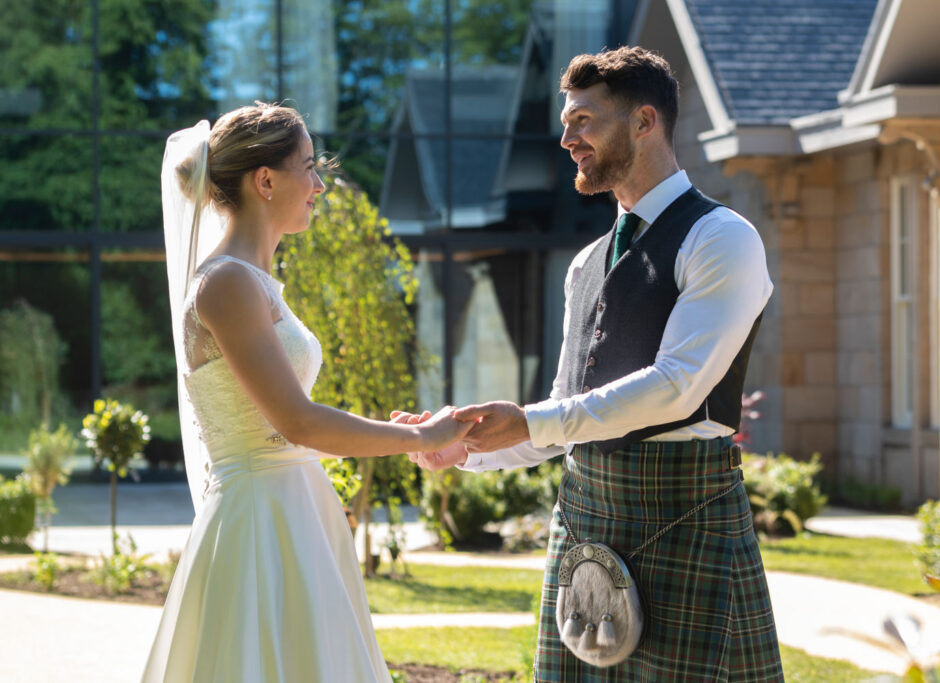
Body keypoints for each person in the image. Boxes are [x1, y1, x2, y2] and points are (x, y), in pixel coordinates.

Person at [397, 47, 783, 681]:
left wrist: (527, 421)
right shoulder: (584, 264)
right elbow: (565, 417)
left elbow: (677, 388)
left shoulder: (723, 237)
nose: (566, 138)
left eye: (583, 120)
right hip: (585, 523)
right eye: (566, 121)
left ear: (644, 121)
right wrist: (467, 451)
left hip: (684, 516)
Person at [144, 102, 472, 682]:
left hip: (297, 511)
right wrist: (419, 435)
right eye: (309, 167)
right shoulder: (225, 284)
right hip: (258, 527)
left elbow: (286, 427)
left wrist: (405, 434)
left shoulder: (254, 282)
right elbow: (297, 422)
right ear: (265, 181)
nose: (320, 184)